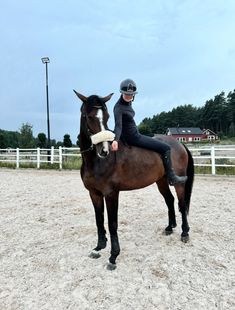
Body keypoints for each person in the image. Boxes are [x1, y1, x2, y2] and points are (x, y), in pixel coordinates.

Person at [111, 78, 187, 186]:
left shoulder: (127, 104)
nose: (129, 96)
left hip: (134, 134)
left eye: (131, 94)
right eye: (126, 94)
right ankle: (172, 177)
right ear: (121, 93)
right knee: (166, 148)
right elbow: (118, 125)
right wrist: (115, 140)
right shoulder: (119, 107)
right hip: (133, 138)